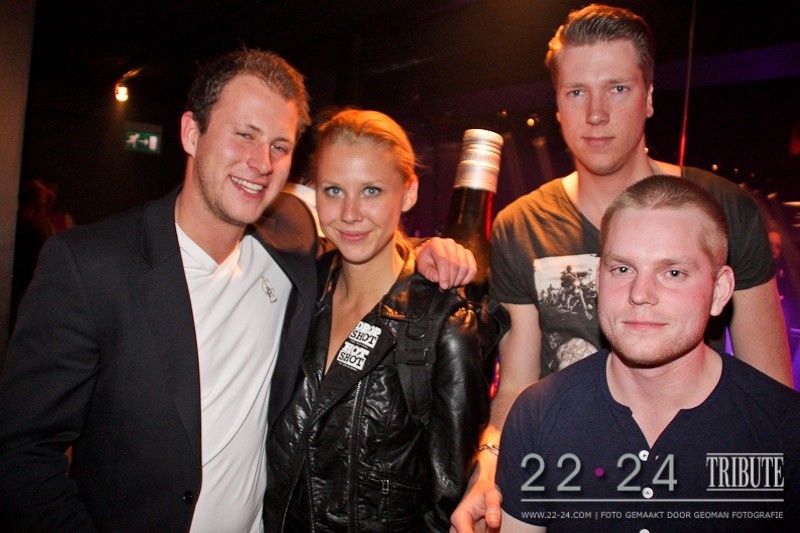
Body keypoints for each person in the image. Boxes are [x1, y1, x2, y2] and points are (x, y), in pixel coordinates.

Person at [0, 49, 476, 532]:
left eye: (279, 146)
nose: (261, 163)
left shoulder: (291, 244)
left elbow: (367, 241)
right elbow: (22, 455)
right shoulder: (90, 265)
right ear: (192, 133)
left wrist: (427, 256)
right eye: (244, 134)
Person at [451, 5, 792, 530]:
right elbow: (516, 383)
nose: (595, 114)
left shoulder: (721, 208)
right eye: (576, 92)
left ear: (649, 96)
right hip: (567, 479)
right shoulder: (522, 224)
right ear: (557, 106)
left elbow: (766, 386)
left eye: (617, 88)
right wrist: (491, 467)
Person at [496, 175, 800, 532]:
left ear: (720, 290)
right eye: (622, 269)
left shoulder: (783, 430)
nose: (640, 293)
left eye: (673, 272)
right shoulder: (537, 416)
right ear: (598, 279)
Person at [265, 109, 499, 531]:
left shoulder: (443, 326)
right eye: (334, 190)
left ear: (408, 193)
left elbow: (447, 500)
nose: (350, 213)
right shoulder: (297, 290)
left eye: (371, 191)